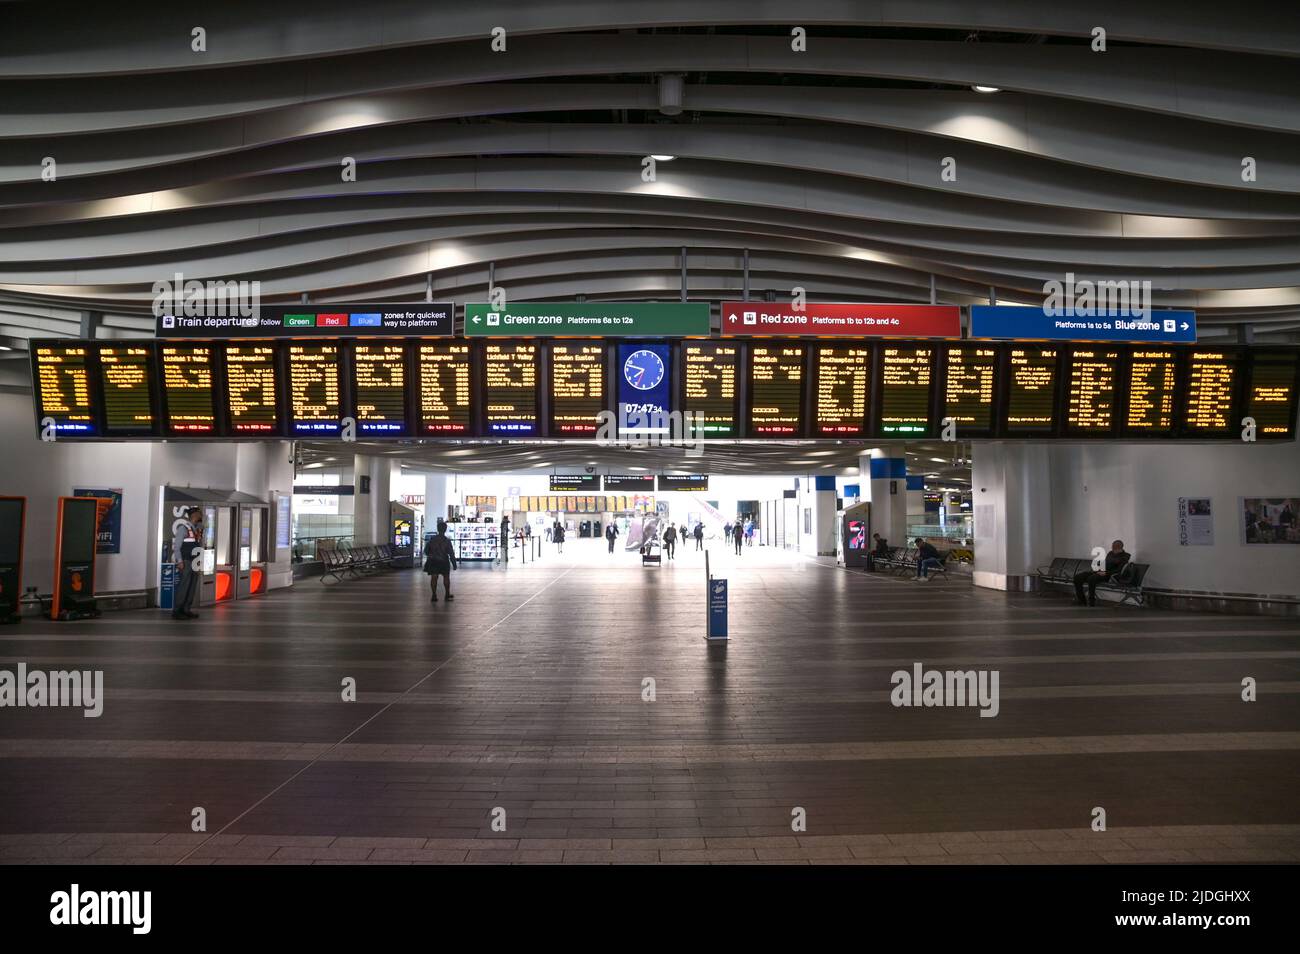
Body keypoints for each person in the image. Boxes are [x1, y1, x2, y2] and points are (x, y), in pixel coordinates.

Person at [1073, 539, 1131, 606]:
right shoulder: (1110, 553)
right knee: (1078, 577)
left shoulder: (1125, 556)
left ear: (1119, 548)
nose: (1112, 549)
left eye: (1114, 548)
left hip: (1109, 575)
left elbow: (1119, 570)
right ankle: (1081, 599)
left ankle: (1091, 600)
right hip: (1101, 572)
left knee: (1091, 579)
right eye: (1112, 547)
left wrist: (1106, 573)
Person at [172, 507, 202, 620]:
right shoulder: (183, 528)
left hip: (195, 561)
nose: (201, 515)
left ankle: (186, 609)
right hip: (186, 561)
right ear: (194, 515)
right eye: (199, 513)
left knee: (192, 586)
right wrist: (179, 561)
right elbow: (177, 547)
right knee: (184, 586)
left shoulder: (196, 529)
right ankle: (177, 610)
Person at [423, 520, 457, 602]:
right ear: (445, 529)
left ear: (438, 529)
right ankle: (447, 594)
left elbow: (426, 551)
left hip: (433, 561)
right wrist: (454, 564)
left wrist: (431, 555)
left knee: (434, 578)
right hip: (443, 561)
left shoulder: (432, 539)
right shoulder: (447, 541)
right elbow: (451, 553)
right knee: (446, 577)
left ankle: (434, 595)